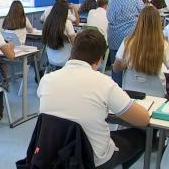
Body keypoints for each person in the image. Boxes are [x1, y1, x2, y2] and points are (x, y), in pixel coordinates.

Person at [38, 29, 150, 168]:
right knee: (143, 136)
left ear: (72, 51)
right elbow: (143, 119)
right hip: (92, 159)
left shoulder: (47, 80)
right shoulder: (104, 83)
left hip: (55, 154)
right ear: (100, 59)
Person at [113, 6, 169, 95]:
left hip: (131, 95)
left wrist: (130, 62)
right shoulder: (163, 45)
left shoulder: (127, 42)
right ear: (159, 22)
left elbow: (116, 69)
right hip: (157, 96)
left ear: (139, 21)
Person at [107, 0, 145, 86]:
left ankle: (116, 91)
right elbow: (144, 15)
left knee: (116, 67)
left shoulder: (112, 0)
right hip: (130, 38)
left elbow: (109, 17)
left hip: (114, 37)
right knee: (132, 65)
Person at [41, 1, 76, 68]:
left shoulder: (47, 23)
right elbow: (74, 43)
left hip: (51, 59)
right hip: (66, 60)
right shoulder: (67, 23)